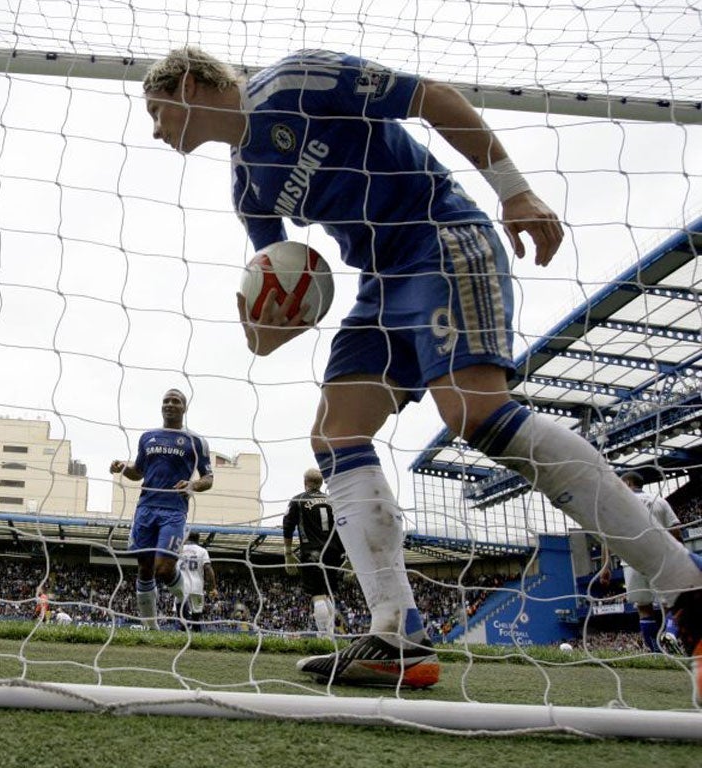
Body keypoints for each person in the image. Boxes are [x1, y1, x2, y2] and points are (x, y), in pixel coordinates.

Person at [142, 47, 702, 692]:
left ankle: (687, 587)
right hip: (381, 285)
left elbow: (431, 96)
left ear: (188, 84)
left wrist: (514, 190)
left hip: (441, 237)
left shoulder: (297, 79)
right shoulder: (248, 185)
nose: (157, 131)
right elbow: (279, 291)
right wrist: (261, 329)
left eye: (157, 112)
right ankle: (397, 634)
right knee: (335, 435)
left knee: (472, 412)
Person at [110, 388, 214, 629]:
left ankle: (186, 601)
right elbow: (138, 472)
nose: (170, 404)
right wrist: (122, 468)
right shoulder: (148, 437)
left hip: (174, 511)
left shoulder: (195, 441)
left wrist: (192, 484)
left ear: (184, 408)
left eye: (175, 401)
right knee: (144, 568)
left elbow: (208, 479)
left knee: (164, 568)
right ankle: (150, 627)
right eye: (166, 400)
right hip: (146, 507)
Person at [599, 471, 685, 654]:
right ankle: (670, 633)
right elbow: (676, 531)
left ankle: (656, 653)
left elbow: (607, 537)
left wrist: (605, 566)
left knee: (643, 608)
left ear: (628, 483)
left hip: (631, 561)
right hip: (659, 560)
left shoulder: (617, 504)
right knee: (669, 604)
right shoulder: (659, 501)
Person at [283, 468, 345, 640]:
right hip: (334, 552)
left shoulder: (299, 500)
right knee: (328, 594)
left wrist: (288, 552)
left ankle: (323, 636)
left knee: (317, 595)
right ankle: (330, 635)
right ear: (321, 482)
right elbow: (344, 525)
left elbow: (287, 526)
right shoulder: (333, 500)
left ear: (305, 482)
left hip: (312, 552)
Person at [176, 530, 219, 631]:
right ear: (198, 539)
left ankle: (185, 625)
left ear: (187, 538)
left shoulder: (179, 549)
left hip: (181, 584)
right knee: (197, 612)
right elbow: (208, 569)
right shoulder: (202, 551)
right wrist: (213, 588)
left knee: (179, 604)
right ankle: (194, 628)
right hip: (197, 586)